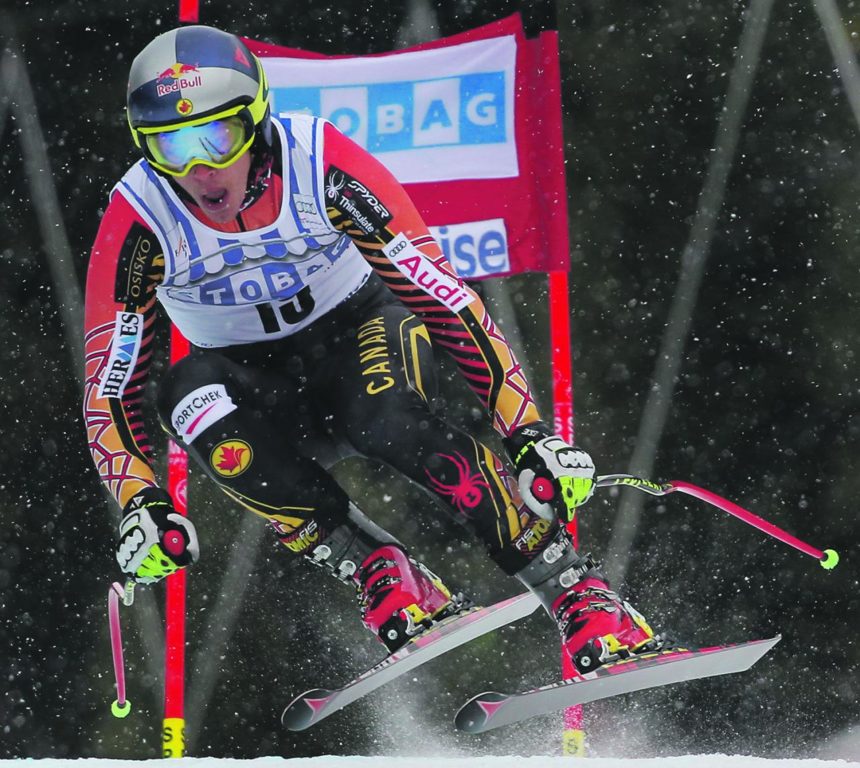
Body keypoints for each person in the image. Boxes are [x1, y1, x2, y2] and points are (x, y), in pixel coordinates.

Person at [83, 25, 661, 673]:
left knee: (383, 415)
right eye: (169, 146)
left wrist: (527, 435)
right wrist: (142, 502)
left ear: (253, 123)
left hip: (357, 335)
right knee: (185, 395)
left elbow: (441, 296)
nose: (198, 171)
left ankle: (576, 590)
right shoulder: (139, 217)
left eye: (214, 139)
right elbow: (111, 384)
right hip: (257, 384)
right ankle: (382, 570)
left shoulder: (320, 164)